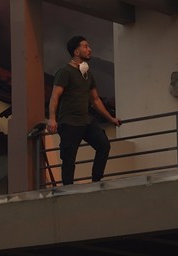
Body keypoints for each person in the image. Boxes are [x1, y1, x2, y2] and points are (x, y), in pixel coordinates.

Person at [45, 35, 121, 185]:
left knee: (103, 145)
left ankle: (96, 181)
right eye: (85, 46)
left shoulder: (87, 74)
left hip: (86, 120)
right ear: (76, 51)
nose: (89, 49)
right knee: (69, 158)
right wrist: (52, 119)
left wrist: (111, 118)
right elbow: (55, 96)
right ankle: (68, 189)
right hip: (69, 122)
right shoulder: (65, 72)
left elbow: (95, 99)